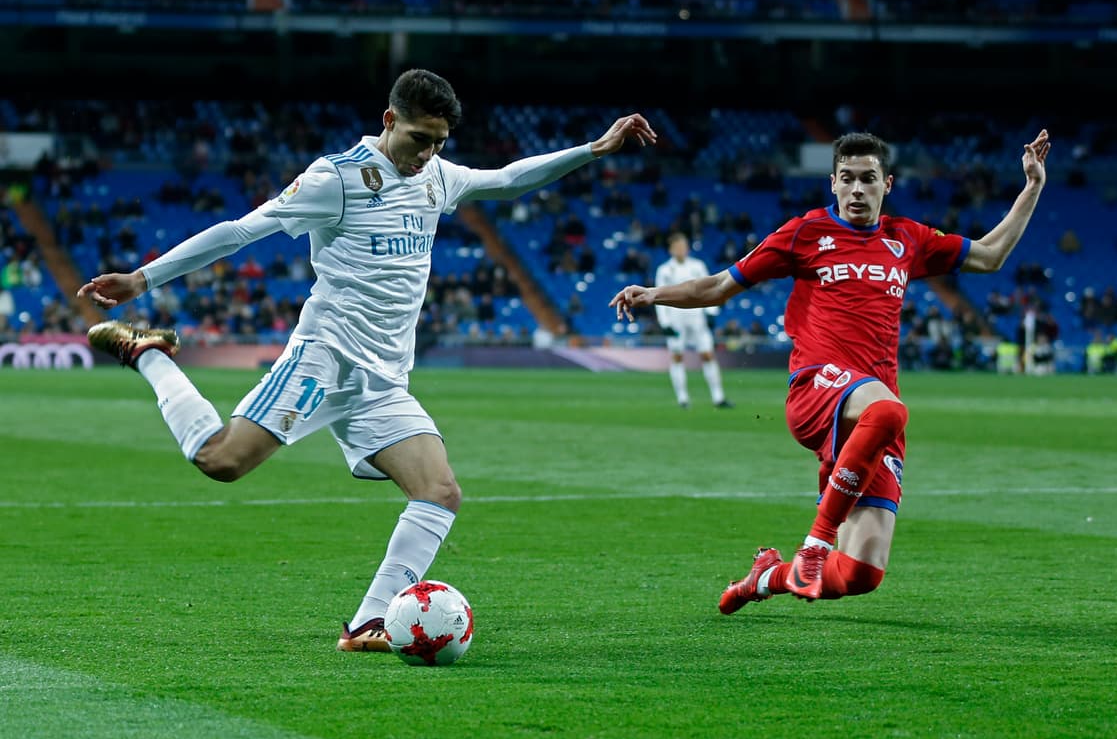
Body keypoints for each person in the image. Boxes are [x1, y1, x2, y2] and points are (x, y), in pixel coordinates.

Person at [78, 69, 657, 651]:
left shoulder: (436, 175)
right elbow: (238, 231)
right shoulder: (337, 178)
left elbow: (506, 180)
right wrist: (142, 278)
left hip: (383, 381)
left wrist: (593, 149)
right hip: (324, 362)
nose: (426, 154)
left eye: (438, 142)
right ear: (388, 120)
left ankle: (367, 623)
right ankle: (149, 353)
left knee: (440, 491)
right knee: (220, 461)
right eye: (418, 140)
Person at [611, 129, 1050, 612]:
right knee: (891, 413)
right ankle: (814, 547)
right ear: (833, 184)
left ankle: (768, 576)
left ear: (888, 184)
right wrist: (653, 294)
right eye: (848, 179)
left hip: (870, 402)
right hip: (817, 387)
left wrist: (1031, 187)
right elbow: (718, 286)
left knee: (861, 574)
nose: (857, 189)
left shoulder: (909, 238)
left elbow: (989, 256)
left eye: (868, 179)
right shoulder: (804, 233)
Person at [653, 232, 732, 409]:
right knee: (677, 357)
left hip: (696, 318)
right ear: (671, 249)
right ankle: (683, 399)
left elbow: (710, 289)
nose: (682, 249)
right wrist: (664, 323)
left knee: (707, 354)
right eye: (678, 246)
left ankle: (718, 397)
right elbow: (659, 297)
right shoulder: (664, 270)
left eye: (684, 245)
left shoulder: (698, 266)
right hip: (676, 319)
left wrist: (711, 312)